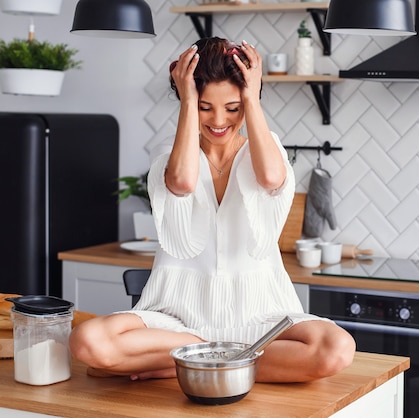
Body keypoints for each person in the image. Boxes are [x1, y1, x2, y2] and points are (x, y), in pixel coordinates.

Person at [69, 37, 355, 382]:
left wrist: (253, 94)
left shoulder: (267, 149)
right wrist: (187, 99)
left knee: (336, 348)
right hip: (177, 317)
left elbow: (270, 178)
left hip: (259, 314)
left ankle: (182, 364)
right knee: (88, 342)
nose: (219, 120)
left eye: (233, 108)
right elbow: (184, 182)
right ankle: (203, 355)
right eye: (206, 107)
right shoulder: (168, 155)